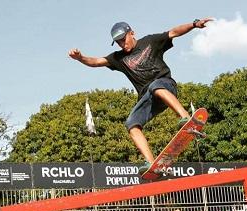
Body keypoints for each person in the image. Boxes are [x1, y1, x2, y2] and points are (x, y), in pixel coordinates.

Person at [68, 18, 213, 173]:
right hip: (148, 99)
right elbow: (96, 61)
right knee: (131, 123)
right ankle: (151, 163)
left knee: (154, 86)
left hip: (166, 86)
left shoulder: (150, 41)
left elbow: (174, 32)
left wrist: (193, 24)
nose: (123, 44)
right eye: (118, 43)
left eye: (124, 40)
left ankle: (186, 118)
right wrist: (80, 58)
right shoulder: (118, 58)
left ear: (132, 33)